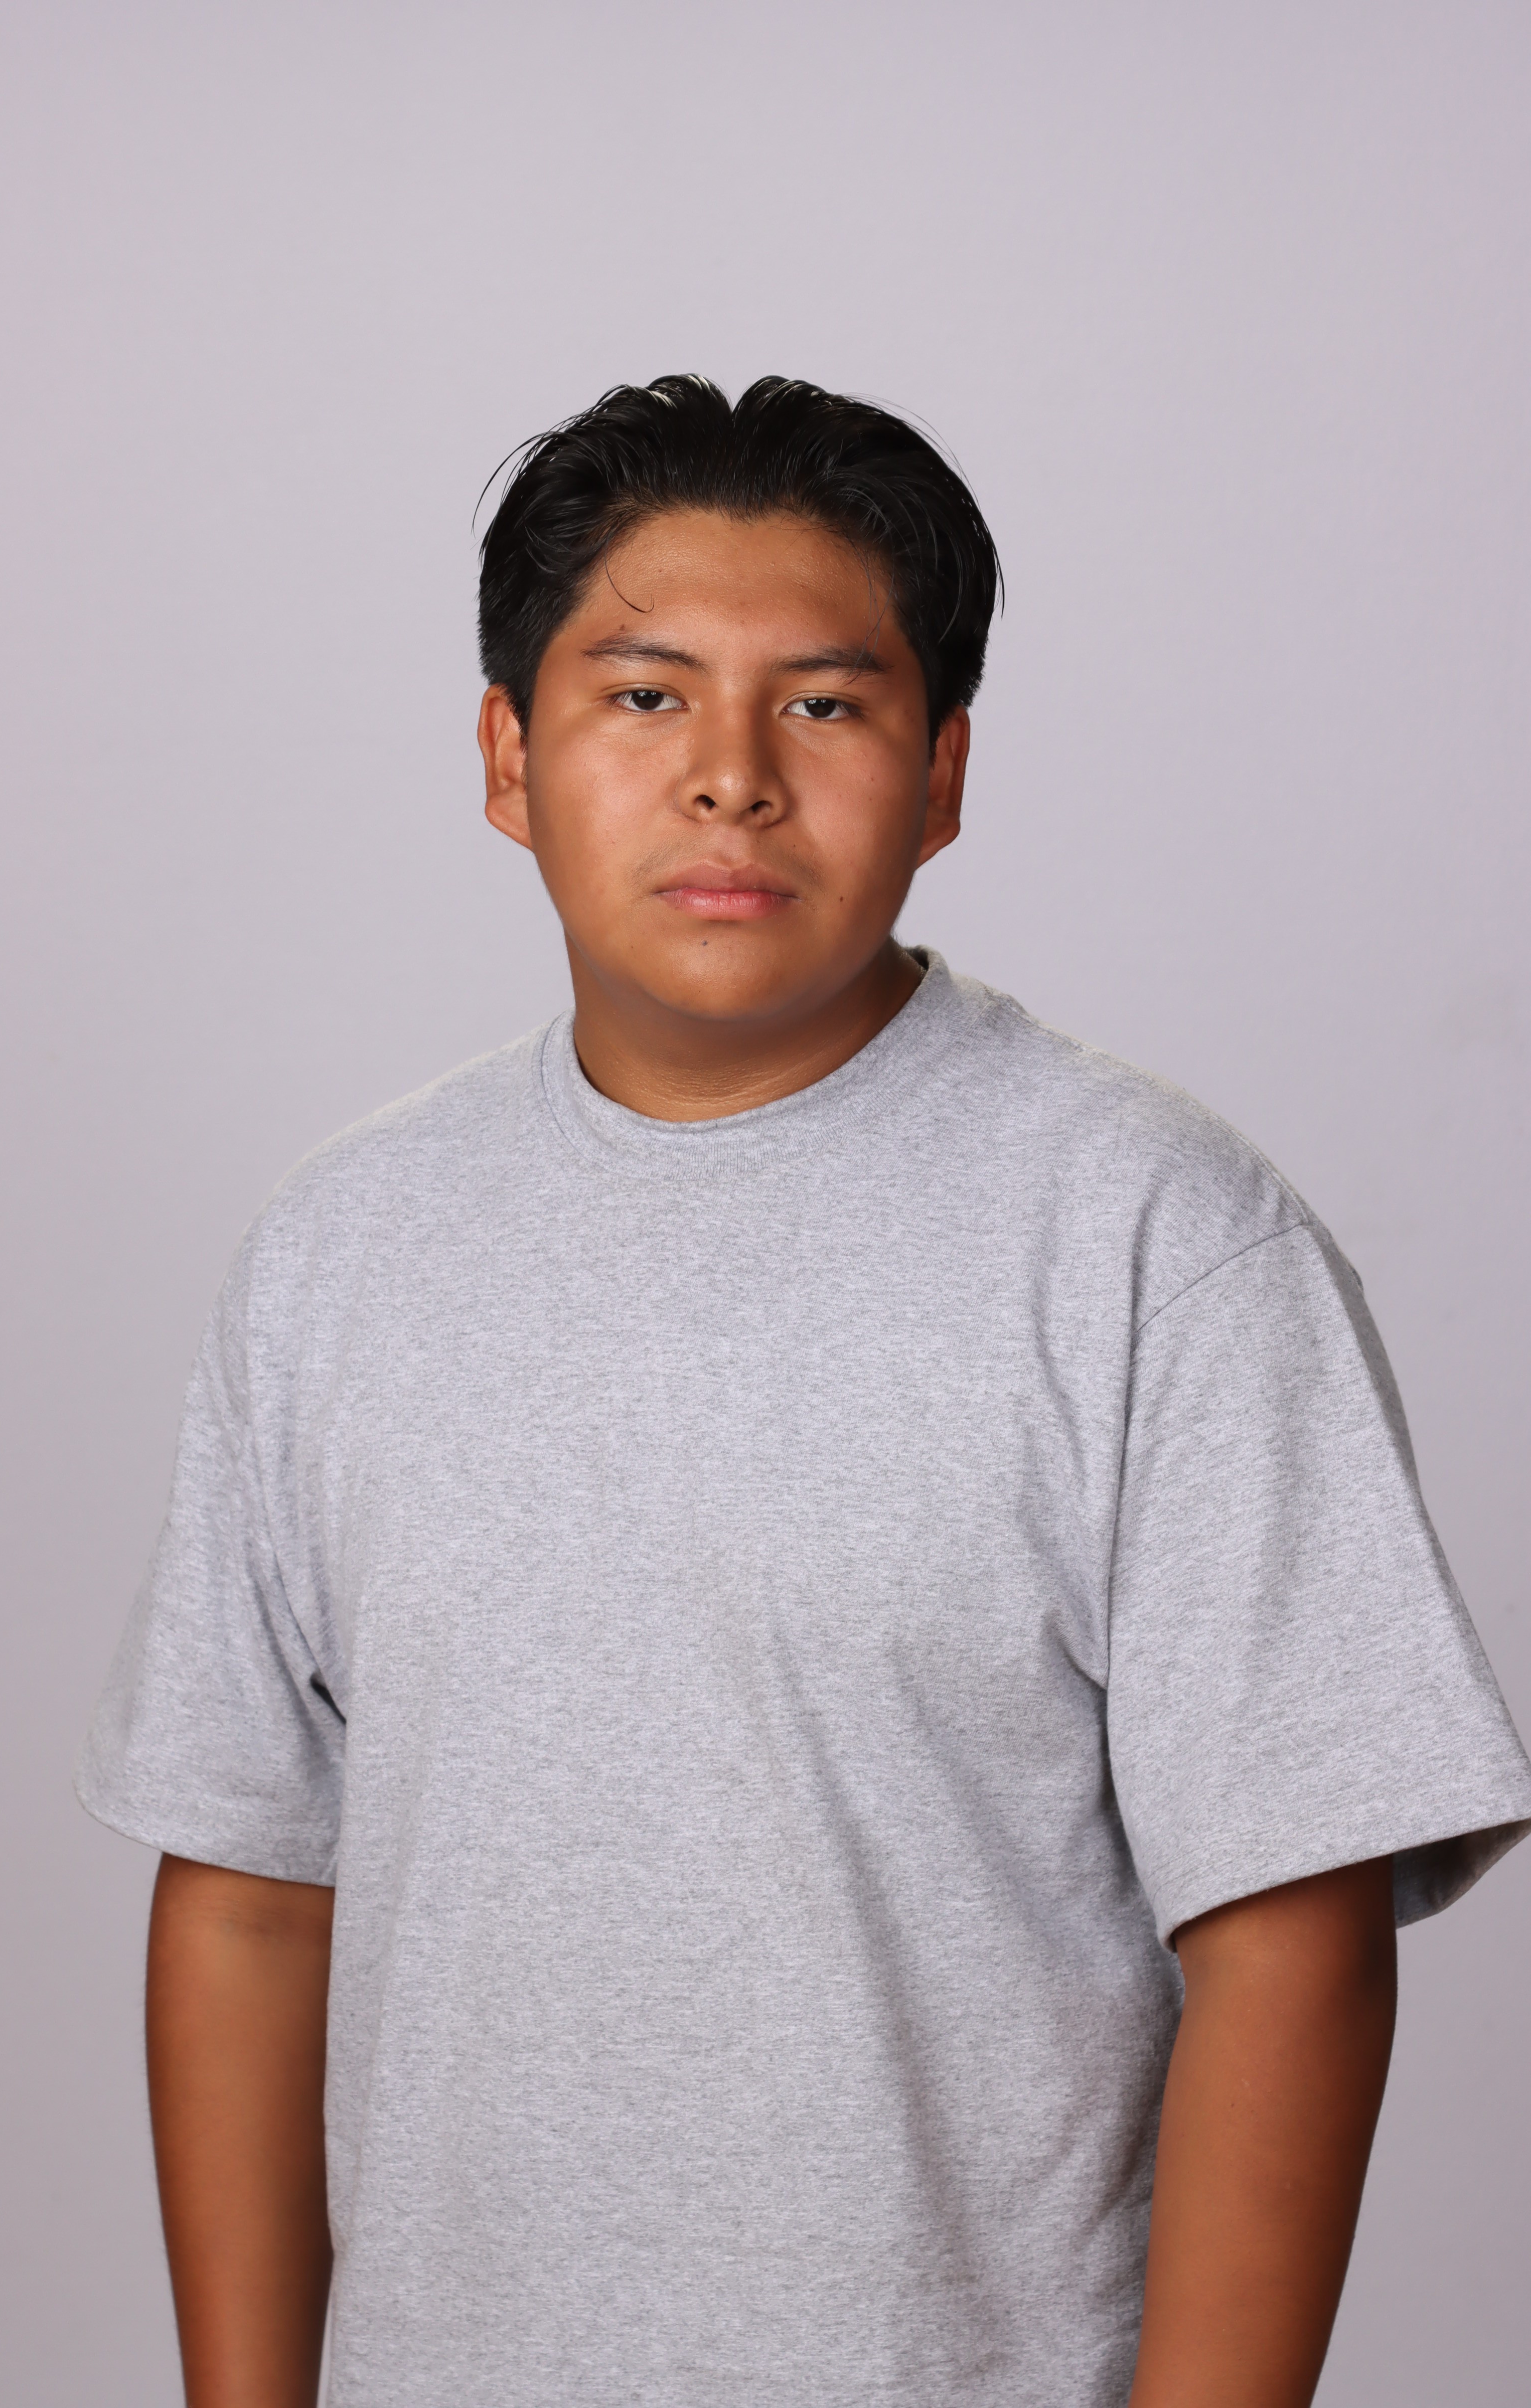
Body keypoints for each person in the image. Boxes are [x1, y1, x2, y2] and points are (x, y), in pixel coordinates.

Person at [79, 374, 1531, 2408]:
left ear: (941, 776)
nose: (732, 780)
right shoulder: (341, 1253)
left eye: (826, 706)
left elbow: (1289, 1932)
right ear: (508, 758)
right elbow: (246, 1895)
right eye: (644, 696)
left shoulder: (1158, 1243)